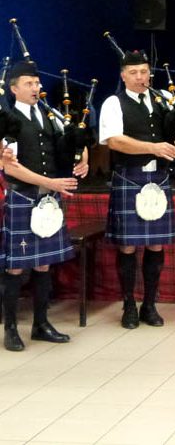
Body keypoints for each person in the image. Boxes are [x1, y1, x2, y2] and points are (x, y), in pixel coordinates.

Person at [98, 50, 175, 329]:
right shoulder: (113, 103)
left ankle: (150, 305)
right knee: (128, 245)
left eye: (143, 71)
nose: (140, 77)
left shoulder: (163, 96)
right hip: (130, 177)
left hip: (160, 179)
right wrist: (153, 148)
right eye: (133, 72)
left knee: (156, 243)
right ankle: (129, 304)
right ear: (123, 75)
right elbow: (114, 141)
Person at [2, 59, 88, 351]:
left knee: (44, 263)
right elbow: (9, 168)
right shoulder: (7, 119)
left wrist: (83, 156)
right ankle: (11, 329)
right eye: (28, 84)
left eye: (37, 83)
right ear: (14, 89)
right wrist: (49, 182)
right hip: (24, 196)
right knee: (15, 267)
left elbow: (72, 139)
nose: (35, 88)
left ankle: (41, 324)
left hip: (49, 200)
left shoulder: (48, 114)